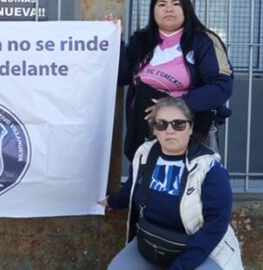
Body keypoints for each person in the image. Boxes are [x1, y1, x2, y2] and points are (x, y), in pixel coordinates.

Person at [99, 97, 243, 269]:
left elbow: (215, 227)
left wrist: (180, 267)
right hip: (152, 242)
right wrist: (111, 202)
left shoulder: (209, 168)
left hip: (200, 249)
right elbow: (133, 185)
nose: (170, 130)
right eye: (161, 124)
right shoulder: (145, 154)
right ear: (154, 130)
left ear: (190, 128)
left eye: (178, 124)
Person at [114, 0, 233, 160]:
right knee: (145, 173)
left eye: (176, 4)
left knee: (186, 175)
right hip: (144, 129)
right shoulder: (141, 40)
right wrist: (115, 40)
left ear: (186, 9)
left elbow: (221, 86)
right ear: (153, 11)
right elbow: (122, 76)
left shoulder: (204, 41)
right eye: (162, 4)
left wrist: (175, 106)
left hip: (189, 129)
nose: (169, 9)